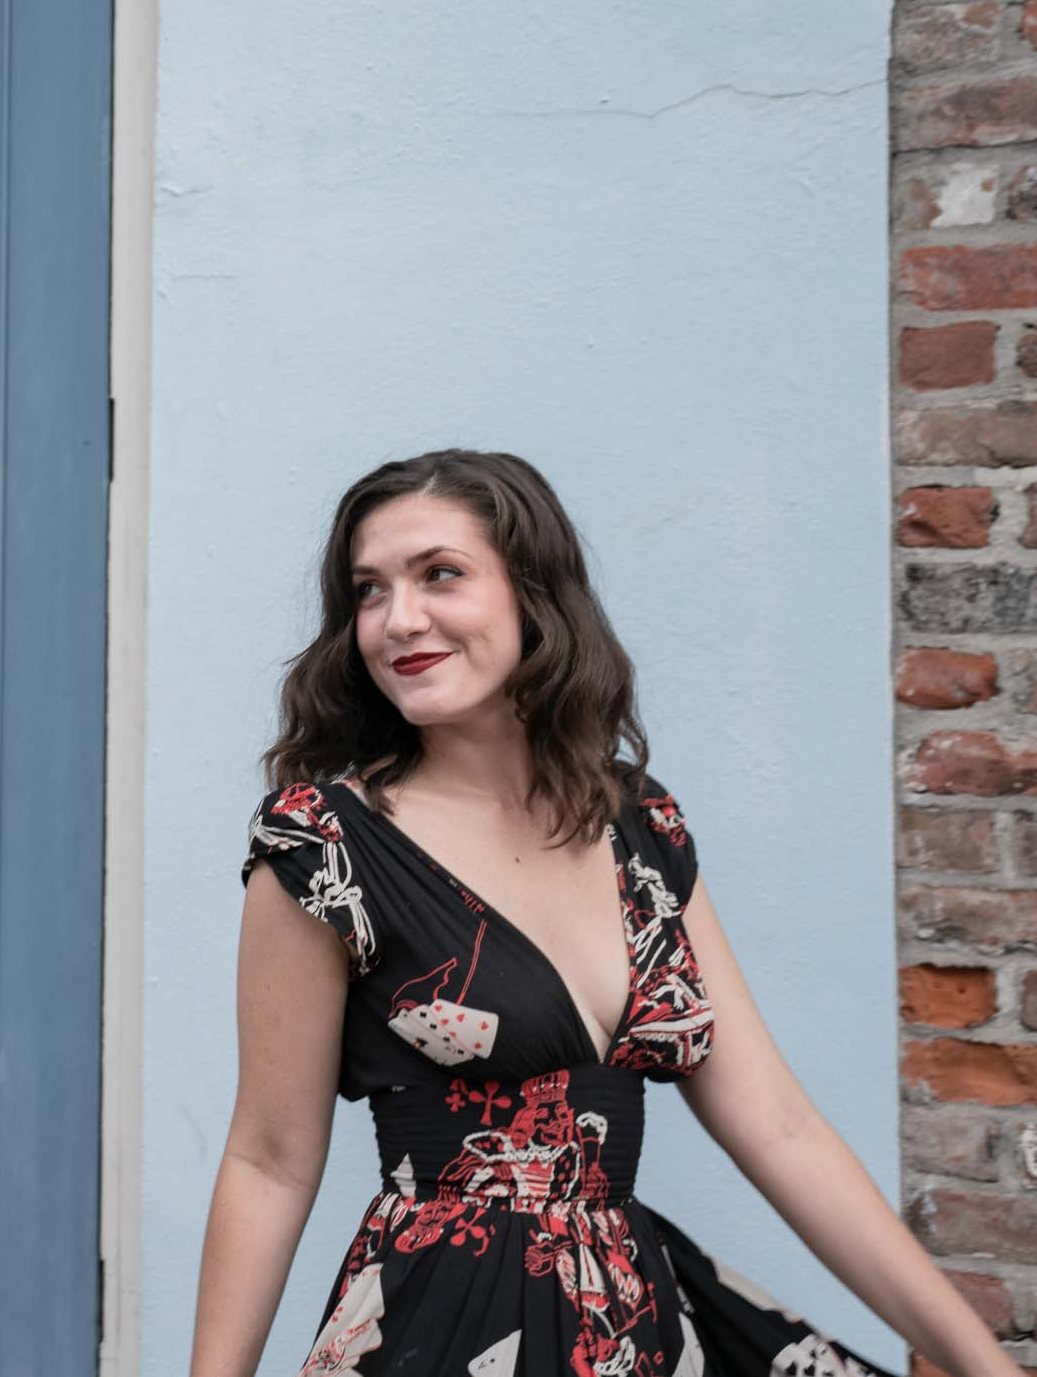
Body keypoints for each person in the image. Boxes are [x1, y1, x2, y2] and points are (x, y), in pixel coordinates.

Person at [188, 449, 1016, 1377]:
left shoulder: (640, 828)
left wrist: (981, 1366)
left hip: (629, 1326)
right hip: (443, 1333)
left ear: (534, 593)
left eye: (440, 575)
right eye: (369, 591)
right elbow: (269, 1160)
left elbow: (780, 1128)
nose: (399, 620)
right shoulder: (324, 844)